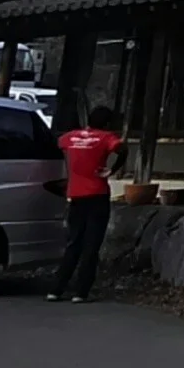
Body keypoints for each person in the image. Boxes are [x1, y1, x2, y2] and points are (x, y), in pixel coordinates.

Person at [47, 106, 125, 303]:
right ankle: (81, 292)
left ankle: (56, 289)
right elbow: (123, 149)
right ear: (107, 124)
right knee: (92, 245)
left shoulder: (70, 137)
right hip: (97, 194)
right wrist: (112, 170)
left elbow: (57, 143)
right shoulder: (107, 138)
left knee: (73, 243)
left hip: (76, 196)